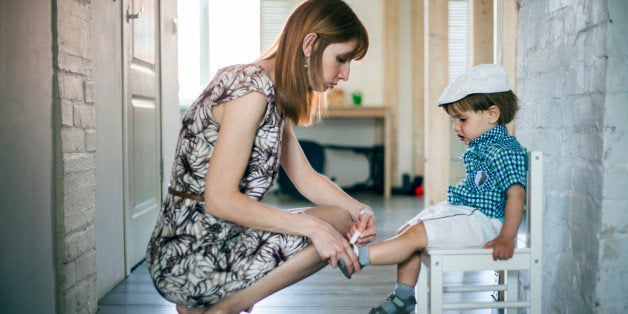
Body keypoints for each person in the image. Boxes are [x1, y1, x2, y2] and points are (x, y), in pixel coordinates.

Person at [145, 1, 376, 313]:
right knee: (328, 225)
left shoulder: (271, 93)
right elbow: (219, 201)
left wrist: (360, 210)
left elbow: (305, 177)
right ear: (310, 44)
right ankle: (225, 307)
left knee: (339, 218)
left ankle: (207, 306)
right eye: (342, 59)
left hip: (224, 237)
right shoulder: (250, 89)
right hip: (189, 255)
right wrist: (313, 229)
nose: (345, 74)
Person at [338, 64, 528, 314]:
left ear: (492, 114)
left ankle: (359, 257)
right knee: (407, 230)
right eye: (453, 120)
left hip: (485, 220)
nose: (456, 127)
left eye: (462, 119)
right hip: (468, 212)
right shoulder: (485, 145)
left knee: (415, 235)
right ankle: (403, 297)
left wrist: (506, 237)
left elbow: (516, 193)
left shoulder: (503, 150)